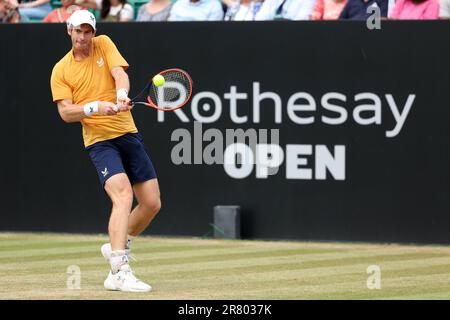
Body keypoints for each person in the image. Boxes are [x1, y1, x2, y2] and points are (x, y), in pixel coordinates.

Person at [50, 9, 161, 292]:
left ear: (94, 33)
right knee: (123, 195)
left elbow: (118, 74)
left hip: (128, 133)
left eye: (88, 32)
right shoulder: (61, 70)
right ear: (69, 31)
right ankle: (119, 269)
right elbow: (65, 112)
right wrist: (96, 106)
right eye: (78, 31)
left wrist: (121, 95)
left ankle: (117, 243)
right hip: (99, 141)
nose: (83, 37)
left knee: (151, 204)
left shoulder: (105, 43)